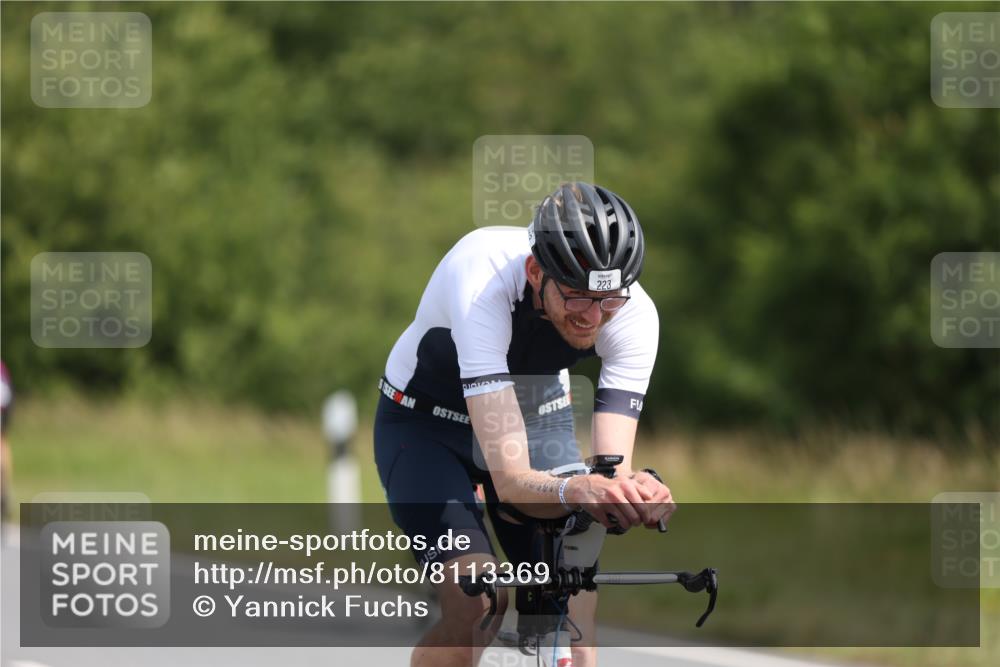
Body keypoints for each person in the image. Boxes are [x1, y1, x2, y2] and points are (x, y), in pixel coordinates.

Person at [374, 182, 675, 667]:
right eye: (577, 297)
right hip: (426, 426)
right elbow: (512, 482)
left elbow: (610, 470)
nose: (592, 317)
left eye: (608, 301)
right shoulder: (484, 283)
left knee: (573, 618)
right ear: (537, 272)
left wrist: (632, 494)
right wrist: (577, 490)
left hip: (536, 415)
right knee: (479, 602)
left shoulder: (634, 314)